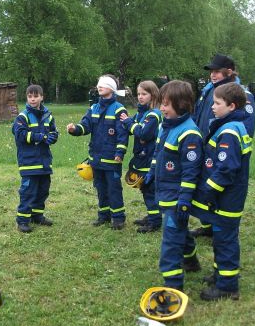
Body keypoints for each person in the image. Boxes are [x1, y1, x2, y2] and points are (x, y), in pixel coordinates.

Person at [189, 82, 253, 301]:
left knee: (225, 240)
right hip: (225, 198)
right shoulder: (231, 126)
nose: (213, 107)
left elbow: (226, 169)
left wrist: (208, 190)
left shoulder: (229, 132)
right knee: (219, 237)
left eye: (217, 103)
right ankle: (219, 275)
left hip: (228, 199)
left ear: (232, 106)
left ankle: (227, 286)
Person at [190, 53, 255, 238]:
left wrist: (226, 148)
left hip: (222, 151)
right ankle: (208, 225)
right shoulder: (208, 91)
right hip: (204, 147)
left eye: (217, 71)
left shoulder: (242, 94)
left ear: (229, 72)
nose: (213, 75)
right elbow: (198, 116)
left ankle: (219, 227)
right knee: (203, 184)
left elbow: (246, 127)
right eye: (211, 71)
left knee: (218, 187)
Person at [148, 81, 203, 289]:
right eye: (161, 103)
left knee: (171, 241)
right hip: (165, 192)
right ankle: (190, 261)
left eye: (166, 104)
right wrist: (152, 172)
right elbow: (158, 153)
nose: (162, 108)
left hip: (176, 197)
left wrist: (184, 200)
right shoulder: (166, 126)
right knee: (179, 230)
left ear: (181, 104)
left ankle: (173, 285)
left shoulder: (189, 134)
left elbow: (191, 172)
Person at [67, 75, 129, 230]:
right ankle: (104, 215)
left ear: (112, 88)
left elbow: (123, 134)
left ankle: (118, 218)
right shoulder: (93, 108)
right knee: (100, 187)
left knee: (114, 188)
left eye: (104, 84)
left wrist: (120, 153)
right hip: (96, 157)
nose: (99, 86)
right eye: (99, 84)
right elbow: (85, 126)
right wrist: (75, 129)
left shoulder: (119, 109)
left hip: (111, 159)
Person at [12, 84, 58, 233]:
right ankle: (23, 221)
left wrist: (53, 137)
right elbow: (20, 135)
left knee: (43, 190)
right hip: (28, 162)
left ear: (42, 97)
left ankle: (37, 216)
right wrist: (41, 137)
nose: (33, 99)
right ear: (27, 98)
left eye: (35, 96)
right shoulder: (22, 117)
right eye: (30, 96)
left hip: (44, 162)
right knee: (28, 192)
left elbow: (54, 132)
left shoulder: (48, 116)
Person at [119, 80, 162, 233]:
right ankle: (152, 216)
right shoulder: (141, 113)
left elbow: (143, 133)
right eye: (138, 94)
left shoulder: (154, 115)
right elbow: (134, 129)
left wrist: (130, 123)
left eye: (144, 94)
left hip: (150, 158)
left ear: (153, 95)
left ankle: (155, 221)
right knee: (145, 188)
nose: (140, 97)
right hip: (141, 157)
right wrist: (132, 125)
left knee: (150, 189)